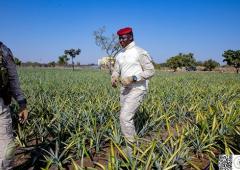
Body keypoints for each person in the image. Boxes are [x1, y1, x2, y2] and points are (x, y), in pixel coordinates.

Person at [111, 27, 155, 144]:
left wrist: (133, 78)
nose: (121, 40)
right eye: (119, 38)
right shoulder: (119, 54)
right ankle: (132, 142)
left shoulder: (140, 52)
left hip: (137, 89)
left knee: (124, 118)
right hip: (124, 90)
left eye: (123, 38)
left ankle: (132, 148)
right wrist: (114, 77)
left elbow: (151, 71)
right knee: (126, 118)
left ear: (130, 37)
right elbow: (116, 70)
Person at [0, 41, 28, 169]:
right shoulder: (3, 50)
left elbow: (12, 79)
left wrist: (22, 103)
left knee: (8, 147)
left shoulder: (3, 50)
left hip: (1, 106)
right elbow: (13, 79)